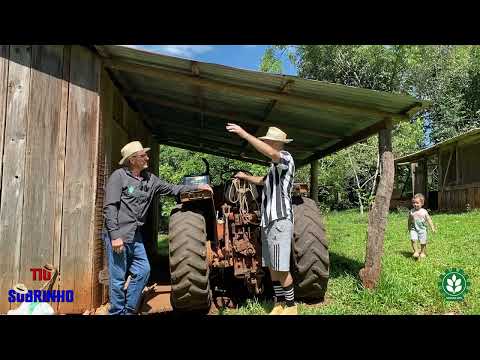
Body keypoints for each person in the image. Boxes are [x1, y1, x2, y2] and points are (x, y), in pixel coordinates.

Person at [103, 141, 212, 315]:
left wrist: (196, 186)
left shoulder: (150, 179)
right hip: (118, 234)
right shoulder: (119, 177)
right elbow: (110, 207)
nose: (147, 157)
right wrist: (115, 236)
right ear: (132, 160)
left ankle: (129, 310)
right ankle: (116, 312)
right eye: (142, 155)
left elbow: (172, 189)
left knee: (143, 271)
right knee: (117, 279)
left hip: (134, 235)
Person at [226, 123, 297, 315]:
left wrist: (244, 134)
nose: (265, 144)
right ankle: (279, 304)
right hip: (268, 222)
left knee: (281, 267)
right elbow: (262, 181)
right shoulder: (274, 169)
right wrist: (244, 176)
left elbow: (271, 154)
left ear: (275, 143)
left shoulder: (285, 158)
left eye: (267, 142)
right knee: (273, 267)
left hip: (279, 220)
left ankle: (291, 307)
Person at [408, 193, 436, 259]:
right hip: (414, 229)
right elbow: (409, 220)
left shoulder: (424, 211)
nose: (415, 204)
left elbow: (429, 219)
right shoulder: (411, 211)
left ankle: (422, 252)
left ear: (422, 203)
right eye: (414, 203)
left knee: (423, 242)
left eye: (417, 203)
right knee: (413, 239)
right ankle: (416, 251)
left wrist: (432, 227)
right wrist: (408, 227)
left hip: (422, 229)